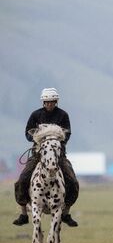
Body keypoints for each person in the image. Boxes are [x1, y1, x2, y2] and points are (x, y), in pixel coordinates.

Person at [13, 88, 79, 227]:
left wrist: (56, 142)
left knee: (72, 181)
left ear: (56, 101)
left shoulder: (63, 115)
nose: (49, 104)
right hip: (38, 154)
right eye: (47, 102)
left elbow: (67, 133)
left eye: (52, 102)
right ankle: (24, 213)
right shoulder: (35, 115)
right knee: (22, 179)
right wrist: (38, 138)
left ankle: (66, 212)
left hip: (58, 156)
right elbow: (27, 134)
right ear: (43, 102)